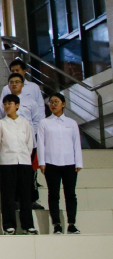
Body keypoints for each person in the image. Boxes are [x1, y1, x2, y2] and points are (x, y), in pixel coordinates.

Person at [0, 73, 45, 210]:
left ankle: (31, 200)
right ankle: (14, 202)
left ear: (23, 84)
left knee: (29, 175)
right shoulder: (2, 104)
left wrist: (29, 138)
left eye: (17, 82)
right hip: (8, 147)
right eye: (11, 82)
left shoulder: (31, 102)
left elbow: (36, 121)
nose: (14, 84)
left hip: (27, 143)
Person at [38, 93, 83, 235]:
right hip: (51, 163)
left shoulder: (71, 123)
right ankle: (56, 224)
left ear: (63, 104)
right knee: (53, 194)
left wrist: (78, 162)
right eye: (51, 102)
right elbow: (41, 143)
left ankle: (72, 224)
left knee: (70, 194)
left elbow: (76, 143)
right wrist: (41, 162)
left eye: (56, 102)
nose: (53, 104)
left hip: (69, 163)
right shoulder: (44, 123)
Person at [0, 94, 37, 235]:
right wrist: (1, 159)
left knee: (25, 195)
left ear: (17, 105)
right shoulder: (1, 124)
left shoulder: (25, 123)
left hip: (24, 162)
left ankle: (27, 225)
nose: (7, 106)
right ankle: (9, 225)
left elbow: (29, 144)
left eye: (10, 104)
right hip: (7, 162)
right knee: (8, 195)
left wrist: (24, 156)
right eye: (5, 104)